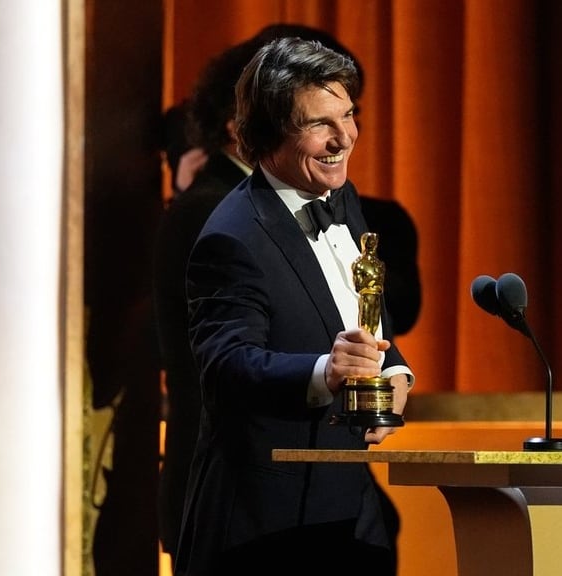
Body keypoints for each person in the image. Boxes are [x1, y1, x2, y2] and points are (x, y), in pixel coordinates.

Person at [154, 25, 419, 572]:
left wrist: (394, 373)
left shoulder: (339, 195)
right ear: (268, 131)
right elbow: (225, 365)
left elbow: (364, 306)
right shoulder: (232, 234)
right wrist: (327, 371)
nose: (344, 138)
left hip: (349, 516)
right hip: (266, 528)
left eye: (348, 116)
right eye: (320, 123)